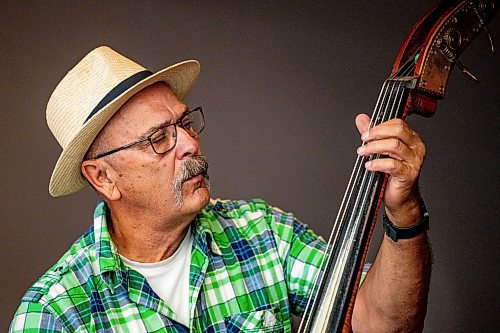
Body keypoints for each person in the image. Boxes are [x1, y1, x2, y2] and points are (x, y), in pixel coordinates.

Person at [10, 46, 431, 332]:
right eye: (159, 138)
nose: (190, 144)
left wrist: (405, 214)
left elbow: (378, 323)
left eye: (185, 123)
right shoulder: (54, 313)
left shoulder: (262, 230)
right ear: (103, 177)